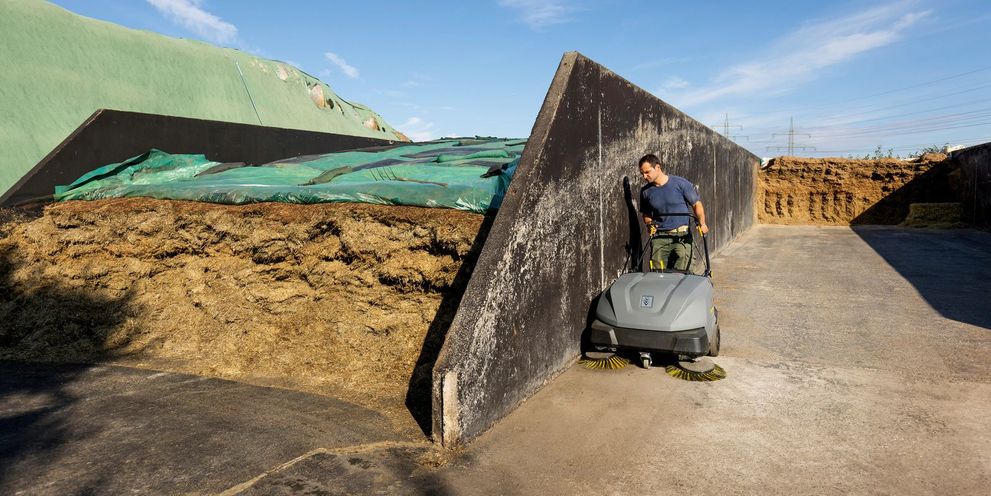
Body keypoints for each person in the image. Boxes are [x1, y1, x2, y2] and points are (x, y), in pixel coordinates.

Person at [638, 154, 708, 271]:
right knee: (657, 273)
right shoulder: (646, 192)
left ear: (657, 167)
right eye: (642, 173)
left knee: (684, 273)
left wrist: (702, 223)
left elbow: (696, 204)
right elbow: (646, 214)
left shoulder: (680, 183)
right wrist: (649, 224)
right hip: (659, 238)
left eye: (647, 172)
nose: (644, 176)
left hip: (681, 237)